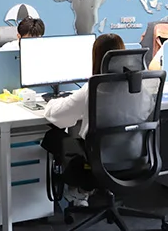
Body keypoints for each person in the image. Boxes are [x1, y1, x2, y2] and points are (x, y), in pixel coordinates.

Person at [43, 33, 126, 206]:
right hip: (132, 157)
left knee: (53, 136)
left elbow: (56, 115)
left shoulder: (93, 88)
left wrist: (50, 102)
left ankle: (78, 192)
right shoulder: (139, 86)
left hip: (99, 161)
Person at [0, 16, 45, 83]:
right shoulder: (7, 50)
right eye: (29, 39)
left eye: (37, 39)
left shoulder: (46, 50)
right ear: (19, 37)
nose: (33, 43)